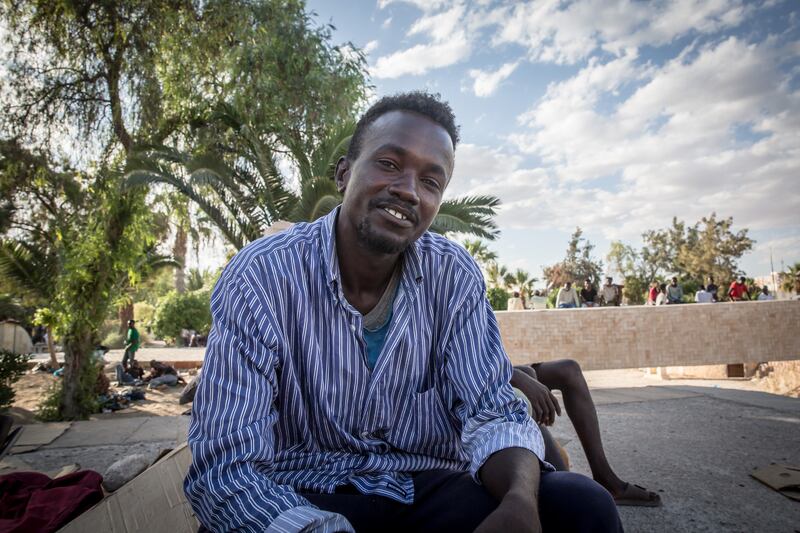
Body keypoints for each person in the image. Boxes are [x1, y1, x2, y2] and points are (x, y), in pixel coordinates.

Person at [185, 92, 622, 532]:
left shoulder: (452, 276)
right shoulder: (263, 276)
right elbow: (225, 467)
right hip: (300, 493)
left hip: (424, 486)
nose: (408, 191)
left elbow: (493, 411)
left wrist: (518, 502)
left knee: (583, 506)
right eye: (389, 164)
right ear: (343, 173)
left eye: (431, 181)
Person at [511, 362, 661, 507]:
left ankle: (605, 478)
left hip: (501, 366)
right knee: (526, 382)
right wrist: (516, 376)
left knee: (568, 369)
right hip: (492, 376)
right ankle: (562, 490)